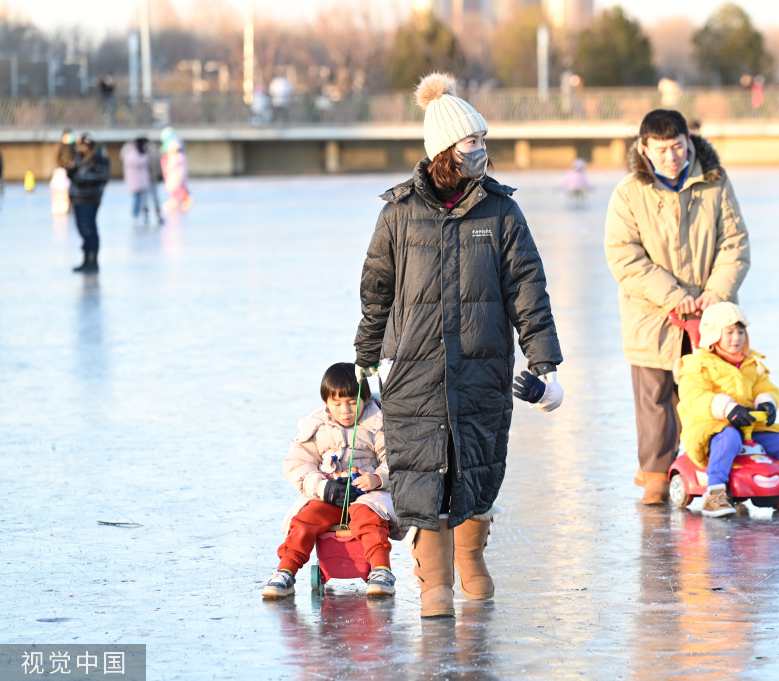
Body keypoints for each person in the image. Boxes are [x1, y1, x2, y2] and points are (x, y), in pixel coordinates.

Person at [355, 72, 563, 619]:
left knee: (475, 463)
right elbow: (376, 289)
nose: (482, 151)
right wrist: (365, 358)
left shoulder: (501, 212)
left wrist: (544, 364)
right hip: (416, 369)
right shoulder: (398, 213)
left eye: (483, 142)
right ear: (446, 150)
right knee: (421, 471)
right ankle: (434, 584)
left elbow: (527, 287)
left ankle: (471, 560)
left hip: (482, 365)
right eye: (473, 142)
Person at [604, 109, 750, 505]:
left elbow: (734, 243)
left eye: (678, 147)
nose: (671, 157)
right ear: (644, 149)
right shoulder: (629, 192)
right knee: (655, 400)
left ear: (689, 142)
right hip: (652, 315)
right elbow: (624, 256)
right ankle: (654, 474)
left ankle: (710, 467)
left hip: (709, 316)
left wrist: (714, 294)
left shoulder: (715, 183)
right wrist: (673, 295)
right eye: (662, 149)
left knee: (708, 393)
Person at [674, 302, 779, 517]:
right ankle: (715, 492)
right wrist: (727, 408)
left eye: (740, 331)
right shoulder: (696, 366)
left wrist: (766, 402)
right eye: (729, 332)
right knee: (729, 439)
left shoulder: (750, 364)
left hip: (750, 425)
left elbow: (766, 387)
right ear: (713, 335)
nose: (736, 338)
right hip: (712, 426)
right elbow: (695, 396)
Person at [262, 363, 402, 599]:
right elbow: (298, 464)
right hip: (330, 493)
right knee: (305, 520)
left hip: (368, 493)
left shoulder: (380, 423)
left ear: (365, 398)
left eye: (352, 402)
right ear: (326, 402)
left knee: (371, 518)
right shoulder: (315, 426)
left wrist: (378, 479)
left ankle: (381, 570)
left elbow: (397, 458)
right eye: (337, 404)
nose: (345, 410)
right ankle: (285, 571)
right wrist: (321, 487)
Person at [64, 133, 111, 273]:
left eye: (84, 145)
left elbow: (100, 177)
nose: (81, 148)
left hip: (89, 199)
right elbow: (74, 175)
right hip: (77, 198)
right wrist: (71, 172)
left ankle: (93, 261)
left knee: (89, 229)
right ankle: (86, 260)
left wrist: (80, 178)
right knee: (82, 229)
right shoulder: (79, 158)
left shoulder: (99, 160)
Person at [120, 138, 151, 226]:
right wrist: (146, 157)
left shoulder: (137, 152)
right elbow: (139, 162)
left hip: (141, 179)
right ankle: (135, 215)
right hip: (136, 180)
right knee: (137, 198)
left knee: (143, 199)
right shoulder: (132, 153)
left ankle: (143, 215)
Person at [161, 138, 191, 211]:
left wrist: (165, 173)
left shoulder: (175, 158)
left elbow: (168, 167)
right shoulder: (181, 157)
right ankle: (179, 201)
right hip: (177, 178)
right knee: (177, 191)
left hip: (174, 179)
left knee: (176, 192)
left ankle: (178, 201)